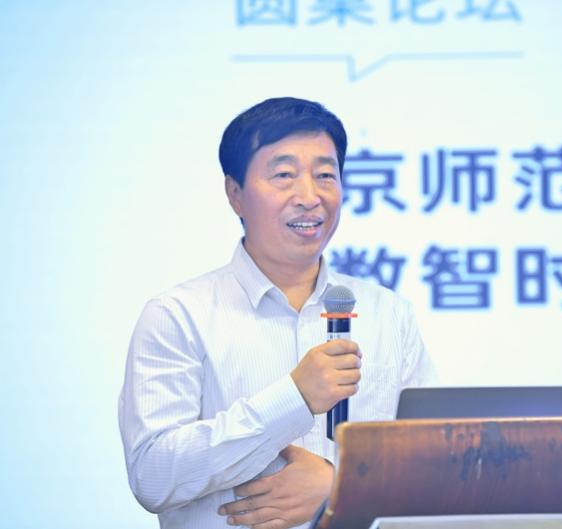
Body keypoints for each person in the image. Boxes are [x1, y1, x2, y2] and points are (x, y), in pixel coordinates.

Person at [118, 97, 436, 529]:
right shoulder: (178, 316)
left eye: (325, 175)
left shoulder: (389, 314)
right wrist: (294, 398)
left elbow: (434, 466)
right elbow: (153, 475)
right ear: (235, 194)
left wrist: (342, 486)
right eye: (284, 175)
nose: (309, 197)